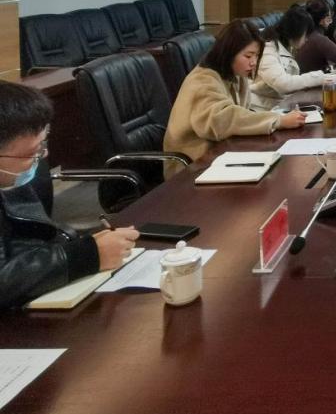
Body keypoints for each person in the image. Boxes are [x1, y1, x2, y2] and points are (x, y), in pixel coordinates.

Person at [0, 81, 139, 307]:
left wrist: (88, 243)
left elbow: (25, 246)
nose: (42, 158)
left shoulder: (8, 180)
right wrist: (87, 256)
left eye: (42, 146)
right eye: (32, 153)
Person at [164, 19, 307, 170]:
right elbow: (223, 120)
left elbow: (240, 114)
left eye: (256, 55)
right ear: (229, 53)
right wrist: (277, 121)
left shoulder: (236, 74)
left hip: (221, 155)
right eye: (248, 56)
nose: (253, 62)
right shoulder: (202, 81)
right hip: (191, 165)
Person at [250, 6, 328, 109]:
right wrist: (319, 77)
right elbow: (283, 85)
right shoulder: (268, 50)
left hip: (281, 103)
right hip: (263, 108)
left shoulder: (287, 46)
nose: (307, 39)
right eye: (305, 35)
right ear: (296, 32)